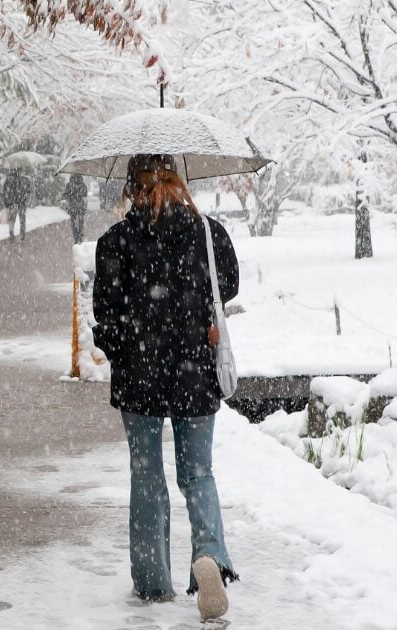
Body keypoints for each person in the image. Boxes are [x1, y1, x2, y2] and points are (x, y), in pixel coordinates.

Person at [91, 154, 240, 621]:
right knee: (198, 472)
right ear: (180, 181)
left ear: (131, 187)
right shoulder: (209, 234)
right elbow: (228, 287)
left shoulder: (116, 241)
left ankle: (154, 580)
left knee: (147, 474)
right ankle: (210, 555)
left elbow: (106, 313)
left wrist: (127, 349)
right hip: (195, 371)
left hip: (140, 378)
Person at [2, 170, 32, 240]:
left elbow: (5, 192)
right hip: (22, 203)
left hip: (12, 203)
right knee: (22, 220)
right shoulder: (25, 180)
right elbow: (28, 192)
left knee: (12, 219)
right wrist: (25, 200)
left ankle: (11, 233)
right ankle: (22, 235)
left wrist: (6, 203)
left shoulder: (8, 180)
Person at [63, 173, 88, 242]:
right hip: (80, 206)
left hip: (72, 206)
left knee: (73, 223)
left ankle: (76, 236)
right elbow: (85, 195)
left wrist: (69, 196)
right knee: (81, 222)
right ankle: (80, 234)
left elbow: (65, 195)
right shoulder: (82, 185)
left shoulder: (69, 185)